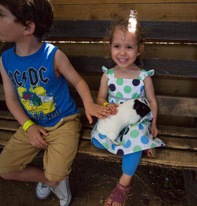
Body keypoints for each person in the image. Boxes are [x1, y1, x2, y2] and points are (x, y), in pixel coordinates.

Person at [0, 0, 109, 205]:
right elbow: (11, 99)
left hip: (64, 122)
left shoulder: (53, 55)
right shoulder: (5, 60)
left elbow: (78, 81)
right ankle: (50, 181)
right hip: (32, 124)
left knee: (56, 173)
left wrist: (88, 104)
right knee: (3, 170)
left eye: (0, 14)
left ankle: (54, 178)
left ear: (28, 27)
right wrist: (28, 127)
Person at [91, 10, 165, 206]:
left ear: (139, 49)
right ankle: (141, 146)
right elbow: (100, 98)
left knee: (133, 137)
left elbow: (152, 101)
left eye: (129, 47)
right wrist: (106, 106)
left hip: (138, 119)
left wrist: (154, 123)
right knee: (99, 141)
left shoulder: (143, 77)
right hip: (115, 117)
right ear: (110, 47)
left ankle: (122, 187)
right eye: (117, 46)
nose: (122, 53)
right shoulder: (108, 75)